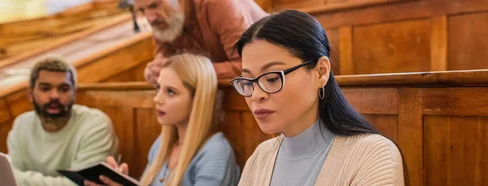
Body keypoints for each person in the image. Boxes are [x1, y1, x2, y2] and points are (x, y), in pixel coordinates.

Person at [231, 10, 406, 185]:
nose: (256, 95)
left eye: (272, 79)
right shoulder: (261, 156)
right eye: (248, 81)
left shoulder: (372, 154)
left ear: (321, 72)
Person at [85, 53, 239, 186]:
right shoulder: (162, 144)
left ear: (197, 99)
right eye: (158, 88)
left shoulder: (215, 151)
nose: (157, 99)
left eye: (171, 92)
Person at [7, 57, 119, 185]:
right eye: (45, 88)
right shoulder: (22, 124)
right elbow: (8, 177)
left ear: (74, 93)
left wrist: (20, 179)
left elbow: (82, 184)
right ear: (30, 94)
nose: (54, 96)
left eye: (64, 89)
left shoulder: (96, 125)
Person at [135, 0, 268, 85]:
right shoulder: (163, 22)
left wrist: (190, 72)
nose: (149, 18)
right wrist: (153, 71)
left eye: (154, 5)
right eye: (142, 10)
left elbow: (249, 67)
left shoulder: (219, 4)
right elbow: (163, 60)